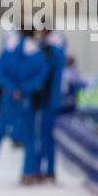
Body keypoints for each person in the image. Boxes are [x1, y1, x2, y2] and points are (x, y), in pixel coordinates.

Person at [0, 27, 48, 183]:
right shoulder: (37, 55)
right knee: (29, 139)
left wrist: (12, 89)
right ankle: (27, 173)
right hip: (25, 101)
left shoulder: (8, 50)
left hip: (7, 99)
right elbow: (40, 77)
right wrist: (23, 90)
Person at [36, 24, 67, 183]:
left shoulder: (47, 50)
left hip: (45, 100)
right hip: (51, 100)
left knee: (42, 136)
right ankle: (49, 170)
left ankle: (41, 169)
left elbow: (42, 75)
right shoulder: (58, 48)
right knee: (48, 137)